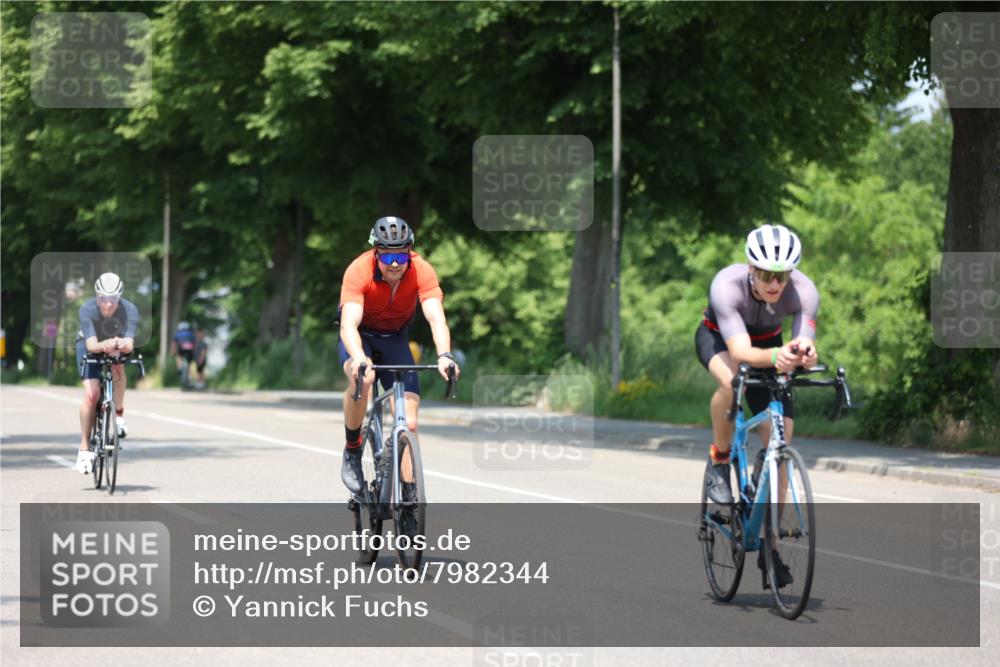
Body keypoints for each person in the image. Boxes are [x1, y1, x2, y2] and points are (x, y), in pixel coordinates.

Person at [694, 224, 819, 586]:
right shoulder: (726, 286)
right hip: (721, 339)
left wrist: (804, 352)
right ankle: (720, 459)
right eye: (765, 274)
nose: (774, 284)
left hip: (769, 340)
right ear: (751, 268)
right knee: (734, 381)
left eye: (781, 276)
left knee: (782, 438)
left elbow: (802, 339)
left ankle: (771, 543)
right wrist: (780, 355)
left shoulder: (805, 291)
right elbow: (740, 353)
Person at [338, 216, 461, 493]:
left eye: (401, 256)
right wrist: (358, 356)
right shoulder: (359, 270)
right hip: (361, 338)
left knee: (410, 422)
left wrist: (445, 355)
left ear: (409, 253)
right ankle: (353, 449)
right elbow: (348, 324)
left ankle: (408, 495)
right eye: (387, 256)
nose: (394, 263)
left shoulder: (422, 270)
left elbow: (436, 318)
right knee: (364, 379)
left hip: (395, 339)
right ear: (376, 252)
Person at [75, 272, 139, 474]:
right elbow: (92, 345)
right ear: (97, 296)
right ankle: (84, 448)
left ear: (119, 298)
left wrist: (121, 344)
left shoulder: (129, 310)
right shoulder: (87, 309)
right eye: (103, 298)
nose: (108, 304)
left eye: (113, 299)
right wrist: (105, 344)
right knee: (92, 395)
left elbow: (130, 344)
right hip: (88, 346)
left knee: (119, 366)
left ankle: (118, 414)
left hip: (113, 346)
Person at [171, 321, 196, 388]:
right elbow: (194, 343)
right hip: (190, 349)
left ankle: (179, 368)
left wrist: (173, 352)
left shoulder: (178, 334)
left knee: (178, 356)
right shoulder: (191, 334)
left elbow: (174, 344)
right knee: (189, 365)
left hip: (181, 348)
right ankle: (189, 380)